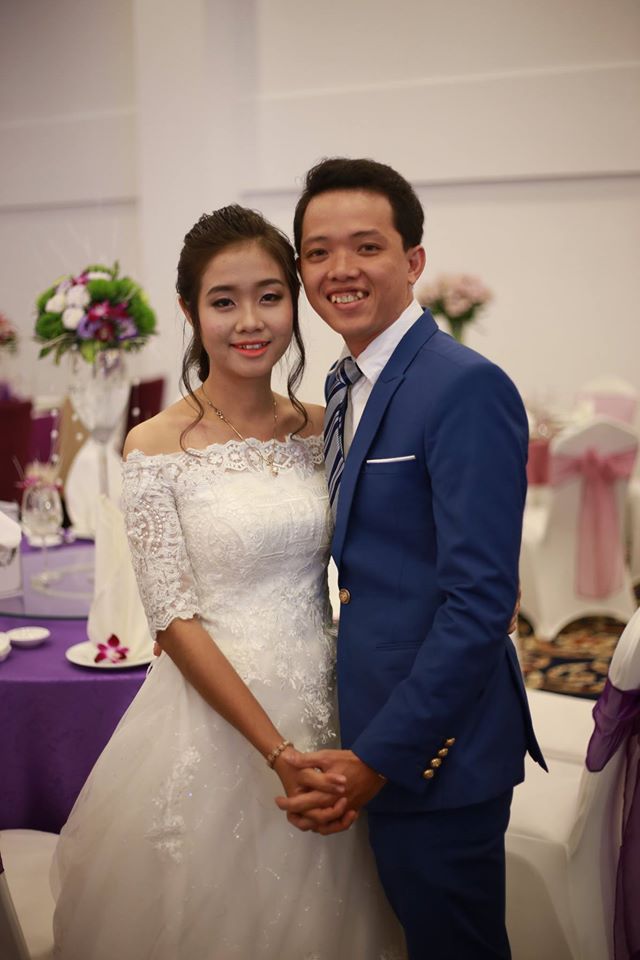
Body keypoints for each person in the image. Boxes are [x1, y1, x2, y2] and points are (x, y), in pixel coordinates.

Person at [51, 205, 405, 959]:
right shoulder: (154, 447)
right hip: (218, 719)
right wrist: (276, 752)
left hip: (335, 702)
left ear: (294, 301)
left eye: (270, 296)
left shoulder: (326, 427)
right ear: (189, 310)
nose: (251, 321)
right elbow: (172, 620)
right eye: (224, 301)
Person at [276, 158, 547, 960]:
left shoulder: (463, 386)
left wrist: (380, 758)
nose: (340, 269)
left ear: (414, 260)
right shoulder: (345, 383)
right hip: (373, 717)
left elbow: (480, 604)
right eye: (319, 252)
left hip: (438, 746)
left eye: (367, 247)